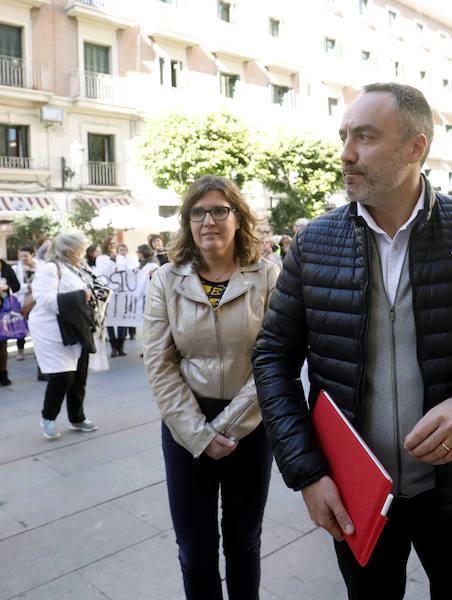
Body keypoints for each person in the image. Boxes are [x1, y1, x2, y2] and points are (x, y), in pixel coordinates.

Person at [253, 82, 452, 599]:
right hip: (355, 495)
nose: (346, 153)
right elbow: (273, 356)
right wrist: (306, 472)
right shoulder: (314, 243)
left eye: (365, 137)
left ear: (416, 148)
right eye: (345, 136)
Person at [143, 175, 279, 600]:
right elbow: (160, 363)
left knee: (244, 543)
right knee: (195, 550)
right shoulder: (167, 280)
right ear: (187, 221)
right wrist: (201, 434)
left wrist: (229, 426)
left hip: (252, 427)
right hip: (186, 428)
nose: (209, 220)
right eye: (197, 212)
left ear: (238, 218)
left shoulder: (267, 276)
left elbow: (274, 359)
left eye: (220, 210)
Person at [30, 232, 108, 440]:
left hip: (78, 328)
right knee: (63, 377)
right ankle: (48, 418)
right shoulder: (49, 269)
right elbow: (44, 298)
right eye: (80, 248)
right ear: (69, 250)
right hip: (54, 331)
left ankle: (77, 417)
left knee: (79, 376)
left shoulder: (78, 268)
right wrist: (79, 296)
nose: (83, 252)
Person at [12, 246, 39, 362]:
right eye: (21, 256)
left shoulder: (39, 267)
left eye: (26, 256)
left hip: (36, 300)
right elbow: (14, 286)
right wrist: (27, 287)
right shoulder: (16, 268)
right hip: (22, 300)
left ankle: (37, 350)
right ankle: (20, 351)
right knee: (21, 327)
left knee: (37, 327)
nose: (23, 258)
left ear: (32, 255)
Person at [0, 257, 21, 385]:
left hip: (3, 311)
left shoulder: (5, 268)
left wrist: (6, 287)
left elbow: (16, 286)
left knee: (2, 345)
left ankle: (3, 374)